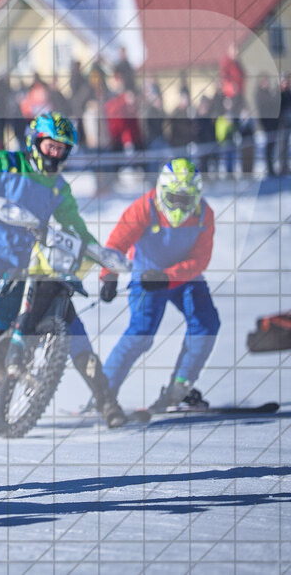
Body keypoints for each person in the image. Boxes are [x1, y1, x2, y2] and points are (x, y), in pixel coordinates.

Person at [0, 112, 126, 428]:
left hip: (26, 262)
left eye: (61, 149)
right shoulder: (6, 162)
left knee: (70, 325)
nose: (55, 154)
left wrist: (106, 266)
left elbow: (79, 232)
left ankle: (106, 401)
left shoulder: (59, 190)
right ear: (35, 142)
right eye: (49, 146)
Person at [98, 158, 219, 412]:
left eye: (185, 200)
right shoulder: (144, 207)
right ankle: (102, 394)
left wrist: (168, 276)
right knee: (141, 333)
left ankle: (179, 388)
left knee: (207, 323)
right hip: (146, 275)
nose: (179, 205)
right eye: (173, 198)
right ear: (162, 192)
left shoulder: (204, 214)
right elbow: (116, 243)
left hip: (184, 277)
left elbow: (200, 259)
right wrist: (109, 276)